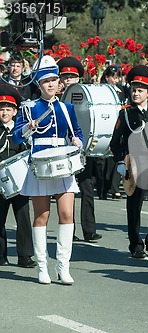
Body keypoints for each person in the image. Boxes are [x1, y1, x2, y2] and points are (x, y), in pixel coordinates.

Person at [12, 55, 84, 285]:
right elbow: (15, 135)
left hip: (62, 164)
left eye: (54, 80)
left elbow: (78, 134)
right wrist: (27, 128)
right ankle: (42, 267)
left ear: (59, 82)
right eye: (46, 81)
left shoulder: (67, 107)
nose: (51, 84)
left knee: (67, 215)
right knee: (42, 216)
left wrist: (77, 141)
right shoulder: (28, 108)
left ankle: (63, 267)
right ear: (38, 84)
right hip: (40, 164)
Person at [109, 65, 148, 259]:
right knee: (135, 205)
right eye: (134, 89)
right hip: (134, 165)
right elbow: (115, 142)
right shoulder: (126, 114)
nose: (135, 93)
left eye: (140, 90)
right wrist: (120, 162)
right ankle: (136, 244)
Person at [57, 56, 102, 242]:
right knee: (67, 191)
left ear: (78, 79)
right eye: (64, 77)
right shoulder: (55, 99)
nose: (68, 80)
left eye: (71, 77)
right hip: (63, 150)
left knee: (87, 188)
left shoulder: (84, 97)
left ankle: (89, 230)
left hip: (82, 148)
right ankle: (70, 230)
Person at [0, 84, 35, 268]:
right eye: (1, 109)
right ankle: (1, 255)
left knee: (23, 218)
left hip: (20, 180)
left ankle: (25, 256)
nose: (4, 113)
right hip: (0, 182)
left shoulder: (21, 131)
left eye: (8, 109)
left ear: (15, 111)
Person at [98, 65, 127, 200]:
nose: (115, 80)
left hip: (118, 126)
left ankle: (114, 188)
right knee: (104, 161)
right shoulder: (102, 90)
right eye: (113, 77)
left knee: (117, 158)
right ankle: (103, 188)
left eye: (117, 78)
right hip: (105, 126)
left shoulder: (122, 91)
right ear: (106, 77)